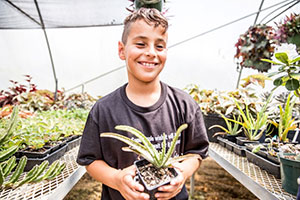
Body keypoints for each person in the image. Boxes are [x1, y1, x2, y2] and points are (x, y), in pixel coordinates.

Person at [77, 7, 209, 200]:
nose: (150, 53)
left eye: (159, 46)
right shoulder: (103, 110)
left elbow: (196, 154)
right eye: (140, 44)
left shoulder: (184, 104)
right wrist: (116, 179)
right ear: (122, 50)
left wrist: (181, 174)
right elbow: (90, 160)